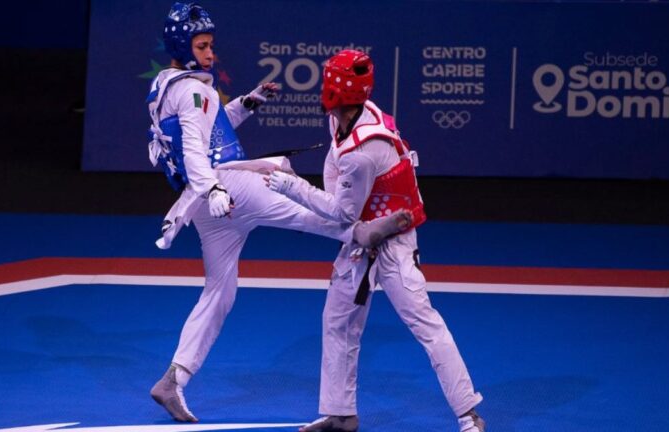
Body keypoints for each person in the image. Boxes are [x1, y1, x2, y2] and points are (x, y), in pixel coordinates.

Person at [145, 3, 411, 424]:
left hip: (207, 206)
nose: (211, 53)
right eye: (203, 45)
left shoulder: (169, 86)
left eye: (211, 45)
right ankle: (363, 233)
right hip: (227, 187)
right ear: (183, 45)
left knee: (220, 290)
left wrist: (247, 104)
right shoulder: (193, 91)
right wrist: (213, 187)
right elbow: (195, 149)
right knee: (302, 211)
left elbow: (212, 125)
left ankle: (173, 379)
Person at [267, 50, 485, 432]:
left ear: (335, 90)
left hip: (394, 242)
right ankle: (341, 413)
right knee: (337, 322)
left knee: (423, 323)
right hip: (361, 237)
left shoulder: (363, 152)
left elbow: (339, 213)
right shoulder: (350, 118)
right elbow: (341, 188)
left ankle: (469, 416)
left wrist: (290, 185)